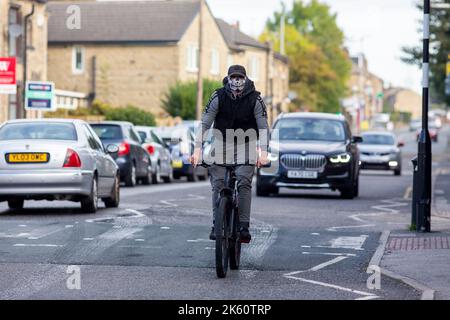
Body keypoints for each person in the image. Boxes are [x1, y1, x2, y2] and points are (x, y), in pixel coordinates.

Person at [190, 65, 270, 243]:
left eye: (240, 77)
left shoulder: (255, 98)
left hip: (246, 143)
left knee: (243, 180)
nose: (237, 81)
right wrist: (197, 149)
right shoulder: (218, 95)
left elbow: (263, 127)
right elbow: (205, 123)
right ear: (228, 79)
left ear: (245, 79)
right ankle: (215, 224)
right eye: (233, 77)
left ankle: (243, 226)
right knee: (217, 184)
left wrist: (263, 152)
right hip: (221, 142)